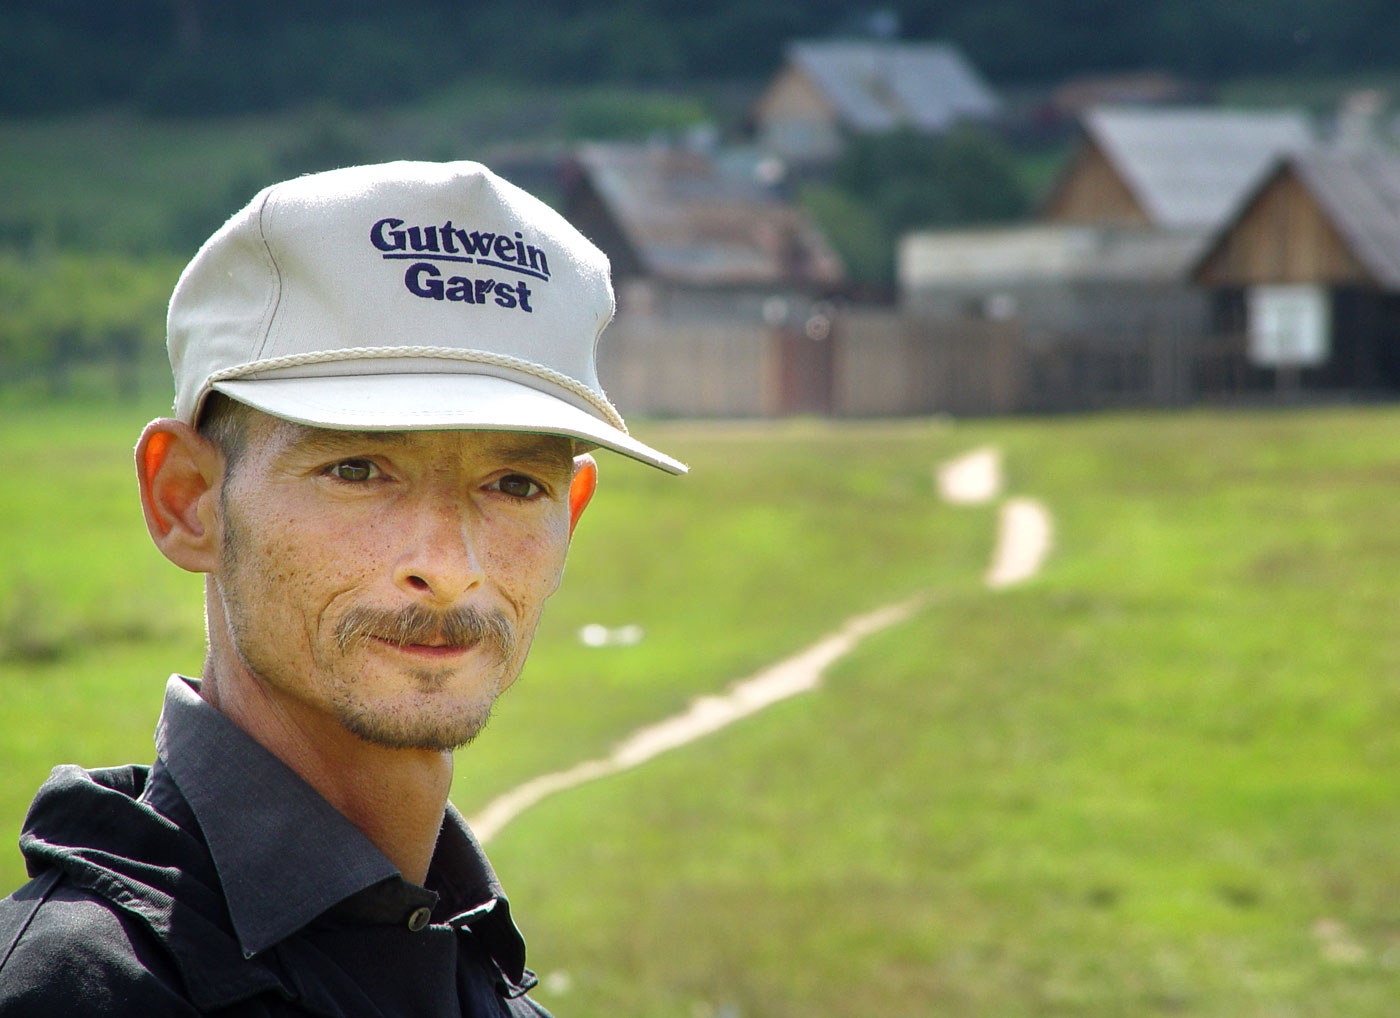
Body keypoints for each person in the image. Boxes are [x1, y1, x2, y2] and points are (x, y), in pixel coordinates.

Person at [0, 161, 685, 1016]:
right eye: (358, 469)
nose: (448, 564)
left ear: (570, 519)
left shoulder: (487, 988)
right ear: (187, 499)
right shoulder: (74, 990)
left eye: (515, 484)